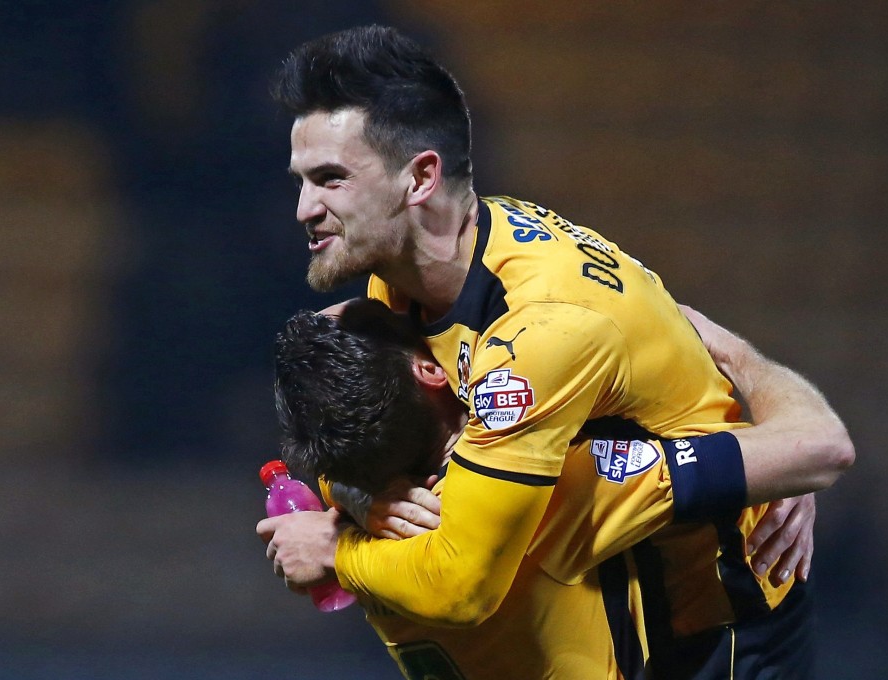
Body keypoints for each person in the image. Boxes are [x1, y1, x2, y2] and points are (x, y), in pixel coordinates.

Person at [257, 24, 854, 678]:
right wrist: (365, 494)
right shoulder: (401, 281)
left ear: (421, 177)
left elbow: (463, 581)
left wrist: (338, 548)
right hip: (597, 603)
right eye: (301, 181)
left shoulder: (543, 330)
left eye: (330, 179)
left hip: (716, 628)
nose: (304, 209)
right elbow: (354, 427)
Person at [267, 299, 850, 679]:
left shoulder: (347, 491)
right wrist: (737, 367)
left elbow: (339, 453)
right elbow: (819, 448)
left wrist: (344, 532)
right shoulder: (561, 487)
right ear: (428, 368)